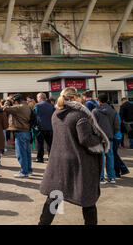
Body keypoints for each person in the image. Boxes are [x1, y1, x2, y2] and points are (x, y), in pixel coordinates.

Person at [39, 87, 109, 225]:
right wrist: (99, 140)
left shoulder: (56, 113)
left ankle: (43, 223)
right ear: (75, 98)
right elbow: (85, 139)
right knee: (88, 199)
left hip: (59, 161)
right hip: (79, 162)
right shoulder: (80, 115)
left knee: (54, 197)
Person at [92, 94, 120, 184]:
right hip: (109, 137)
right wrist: (111, 133)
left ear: (98, 100)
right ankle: (112, 177)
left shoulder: (95, 111)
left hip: (99, 137)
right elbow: (117, 126)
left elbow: (93, 126)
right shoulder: (113, 111)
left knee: (100, 157)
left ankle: (101, 178)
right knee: (110, 156)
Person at [3, 94, 32, 178]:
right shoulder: (27, 107)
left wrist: (8, 101)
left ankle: (24, 171)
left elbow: (5, 108)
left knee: (21, 153)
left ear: (16, 101)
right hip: (26, 131)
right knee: (27, 153)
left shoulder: (19, 107)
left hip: (20, 132)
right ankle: (28, 170)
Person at [33, 93, 55, 163]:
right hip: (50, 127)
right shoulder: (51, 105)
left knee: (40, 144)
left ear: (39, 98)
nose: (37, 99)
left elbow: (34, 116)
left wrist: (34, 125)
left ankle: (40, 158)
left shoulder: (37, 105)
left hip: (40, 128)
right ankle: (51, 157)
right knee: (50, 144)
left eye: (37, 98)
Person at [112, 106, 129, 177]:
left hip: (115, 136)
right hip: (118, 136)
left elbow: (116, 126)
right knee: (114, 154)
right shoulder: (116, 113)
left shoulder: (114, 113)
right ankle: (122, 169)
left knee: (114, 154)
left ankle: (120, 170)